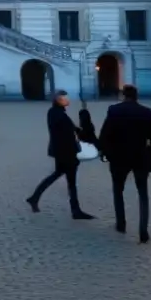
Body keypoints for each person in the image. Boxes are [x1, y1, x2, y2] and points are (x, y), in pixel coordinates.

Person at [98, 84, 151, 244]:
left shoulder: (114, 110)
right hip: (140, 157)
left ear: (123, 95)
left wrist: (105, 153)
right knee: (142, 193)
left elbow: (104, 135)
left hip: (118, 157)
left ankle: (121, 224)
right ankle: (143, 231)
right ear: (136, 96)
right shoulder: (146, 112)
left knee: (118, 190)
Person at [25, 90, 94, 220]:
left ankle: (35, 197)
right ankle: (75, 211)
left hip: (62, 151)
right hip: (65, 152)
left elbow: (74, 130)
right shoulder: (57, 114)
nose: (67, 100)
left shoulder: (58, 113)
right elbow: (70, 132)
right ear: (57, 100)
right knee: (70, 181)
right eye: (64, 98)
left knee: (58, 176)